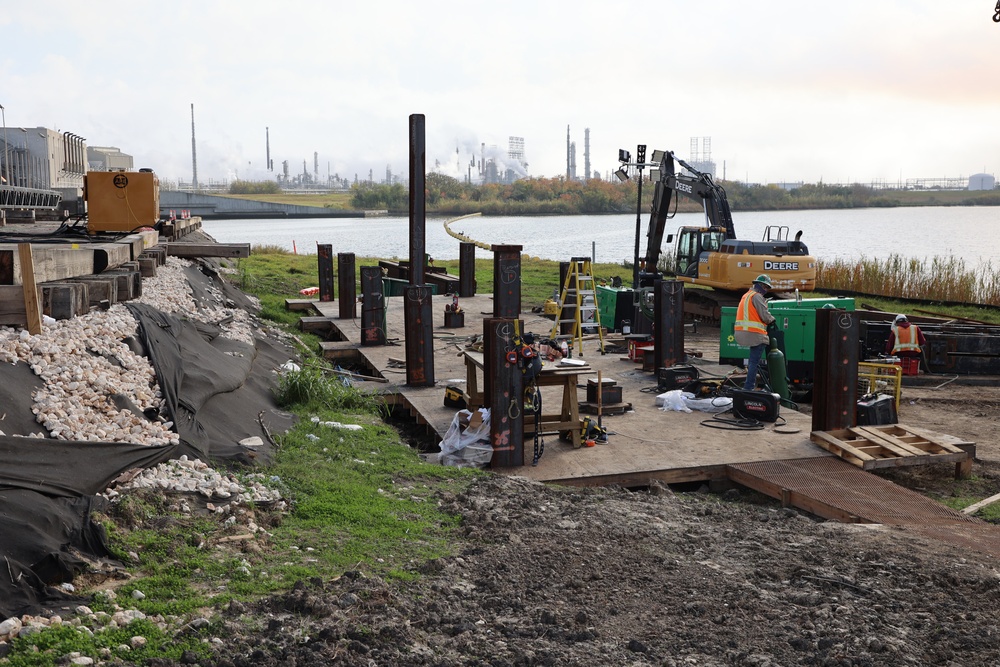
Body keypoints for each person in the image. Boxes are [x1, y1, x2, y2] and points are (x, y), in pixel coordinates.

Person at [734, 274, 776, 391]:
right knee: (754, 362)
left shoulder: (746, 295)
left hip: (741, 332)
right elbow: (765, 316)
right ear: (760, 285)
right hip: (754, 334)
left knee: (752, 362)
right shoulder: (757, 297)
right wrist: (773, 320)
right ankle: (749, 387)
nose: (766, 290)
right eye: (765, 287)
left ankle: (749, 386)